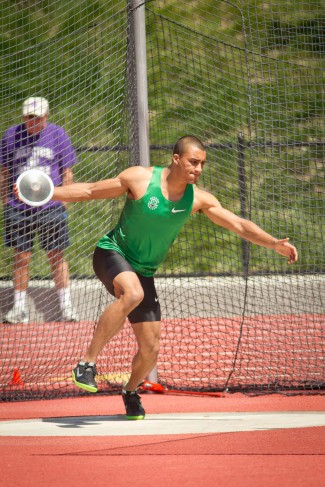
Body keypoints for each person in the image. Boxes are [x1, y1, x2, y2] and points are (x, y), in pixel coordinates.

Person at [50, 135, 298, 420]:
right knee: (132, 294)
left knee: (151, 349)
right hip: (112, 253)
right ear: (176, 159)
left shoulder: (198, 199)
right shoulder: (140, 179)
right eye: (194, 162)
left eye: (203, 163)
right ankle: (87, 364)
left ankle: (130, 392)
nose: (199, 169)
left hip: (144, 270)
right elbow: (90, 190)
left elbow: (239, 224)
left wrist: (273, 243)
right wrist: (49, 193)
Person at [1, 96, 79, 324]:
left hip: (51, 206)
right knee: (21, 257)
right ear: (23, 117)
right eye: (28, 117)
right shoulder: (11, 135)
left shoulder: (57, 134)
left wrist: (66, 200)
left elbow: (67, 172)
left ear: (46, 117)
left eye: (37, 117)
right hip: (18, 207)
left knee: (56, 255)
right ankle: (19, 308)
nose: (32, 121)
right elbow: (4, 171)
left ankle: (66, 307)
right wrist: (5, 199)